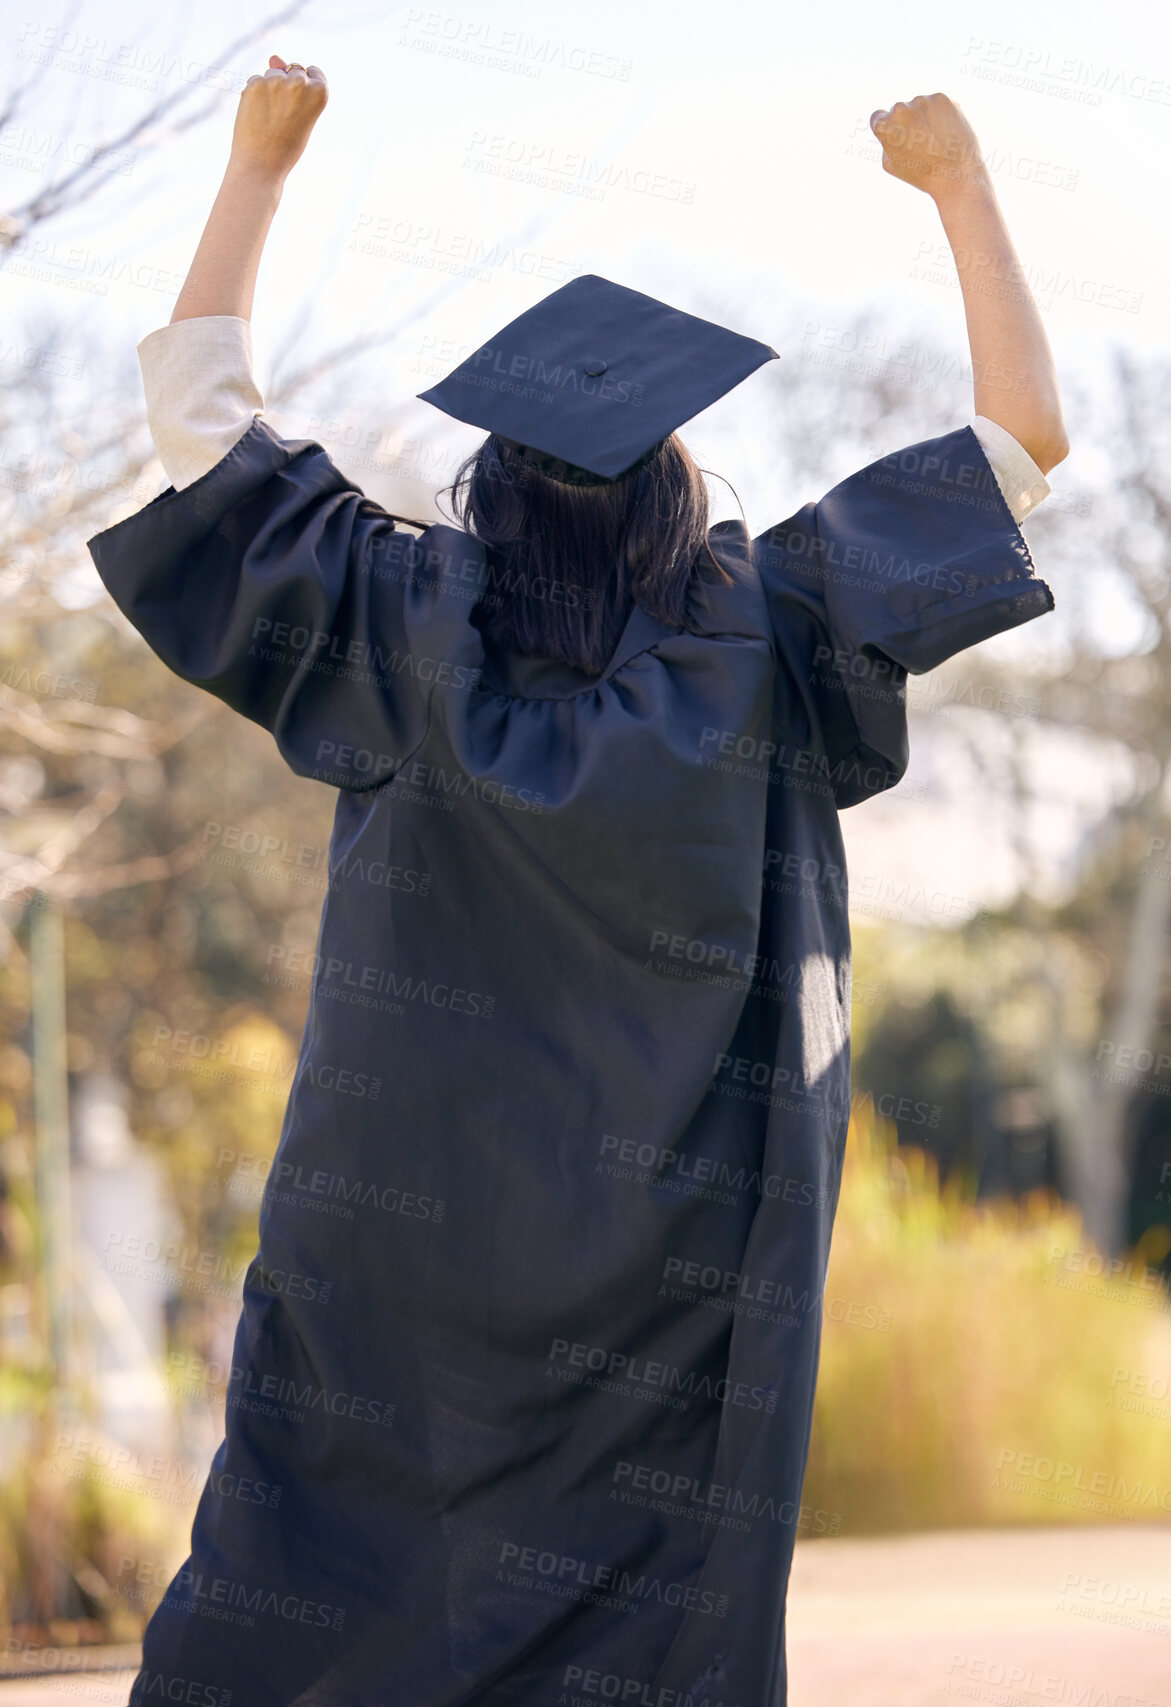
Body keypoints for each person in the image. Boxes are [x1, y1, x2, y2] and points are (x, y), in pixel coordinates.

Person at [85, 59, 1067, 1707]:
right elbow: (1023, 438)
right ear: (683, 484)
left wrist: (260, 161)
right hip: (674, 1272)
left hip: (393, 1255)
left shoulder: (401, 619)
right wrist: (961, 183)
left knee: (332, 1564)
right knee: (641, 1619)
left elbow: (201, 413)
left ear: (490, 485)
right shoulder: (778, 627)